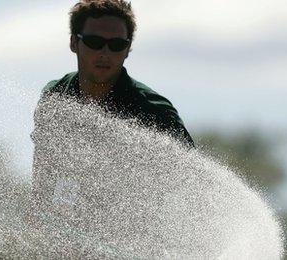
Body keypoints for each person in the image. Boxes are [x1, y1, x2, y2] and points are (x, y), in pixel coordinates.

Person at [28, 0, 194, 251]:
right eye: (94, 42)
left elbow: (192, 182)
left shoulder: (153, 110)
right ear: (74, 43)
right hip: (68, 238)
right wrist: (42, 217)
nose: (105, 53)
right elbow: (45, 167)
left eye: (117, 45)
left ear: (128, 50)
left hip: (136, 243)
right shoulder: (56, 97)